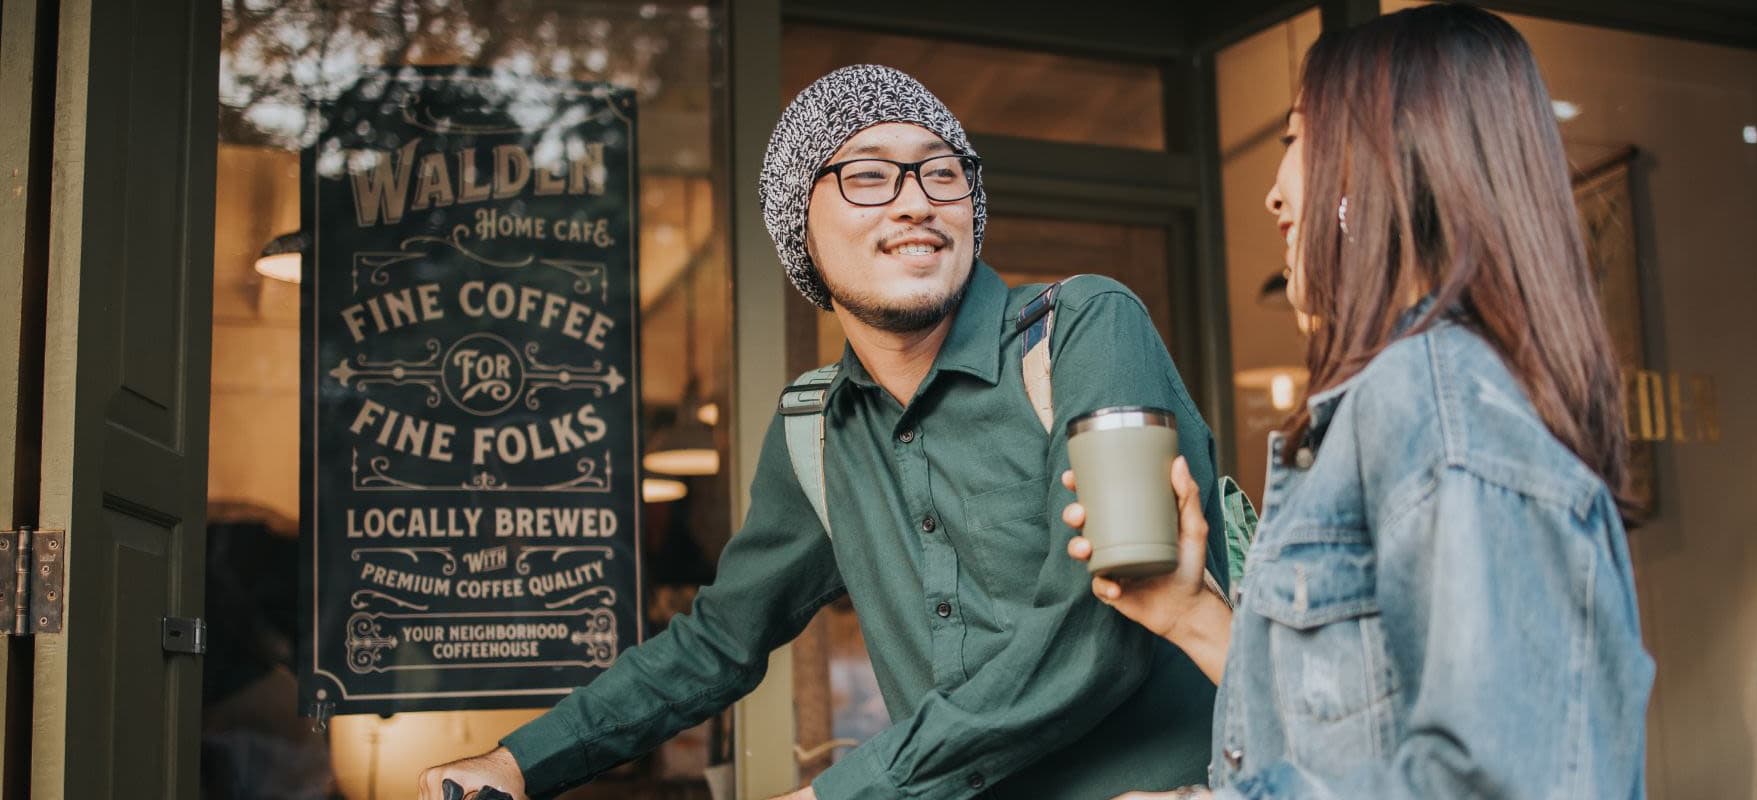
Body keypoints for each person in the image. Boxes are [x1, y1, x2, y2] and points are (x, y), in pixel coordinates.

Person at [419, 65, 1226, 800]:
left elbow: (1097, 633)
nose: (917, 201)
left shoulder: (1081, 329)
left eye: (942, 173)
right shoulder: (815, 427)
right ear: (797, 226)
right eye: (869, 175)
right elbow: (717, 644)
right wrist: (519, 762)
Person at [1062, 5, 1655, 798]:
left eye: (1296, 142)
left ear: (1381, 166)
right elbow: (1355, 732)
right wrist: (1190, 617)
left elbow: (1506, 780)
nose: (1274, 195)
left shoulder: (1435, 398)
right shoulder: (1416, 395)